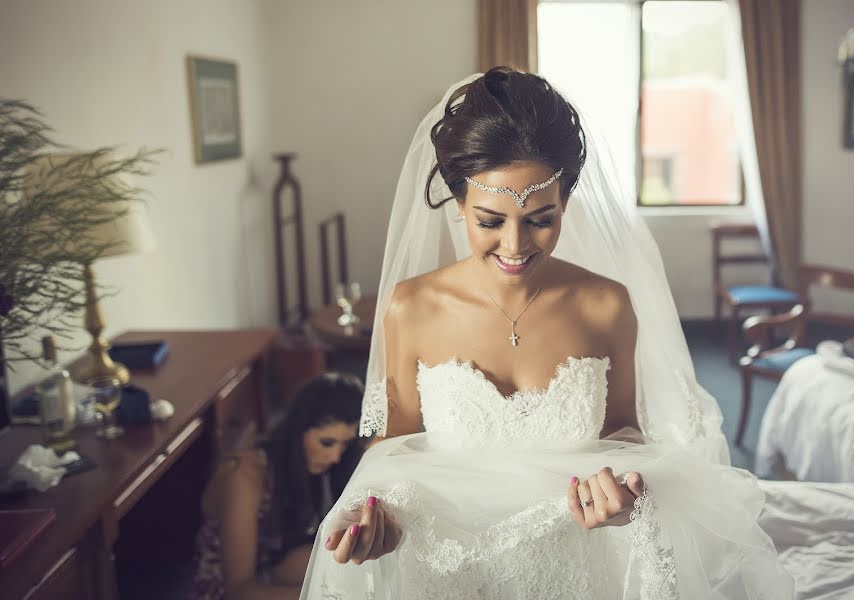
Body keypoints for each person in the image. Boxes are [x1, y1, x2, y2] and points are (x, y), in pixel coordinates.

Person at [300, 68, 794, 598]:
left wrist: (624, 499)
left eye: (541, 218)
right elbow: (394, 445)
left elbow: (626, 437)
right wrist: (378, 516)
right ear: (459, 202)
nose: (516, 245)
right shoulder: (412, 307)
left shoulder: (606, 305)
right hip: (446, 568)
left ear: (565, 202)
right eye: (491, 220)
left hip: (574, 567)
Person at [188, 372, 364, 600]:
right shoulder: (242, 476)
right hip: (227, 592)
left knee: (350, 565)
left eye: (345, 445)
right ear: (298, 429)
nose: (335, 457)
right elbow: (238, 590)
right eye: (327, 442)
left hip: (270, 569)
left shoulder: (303, 465)